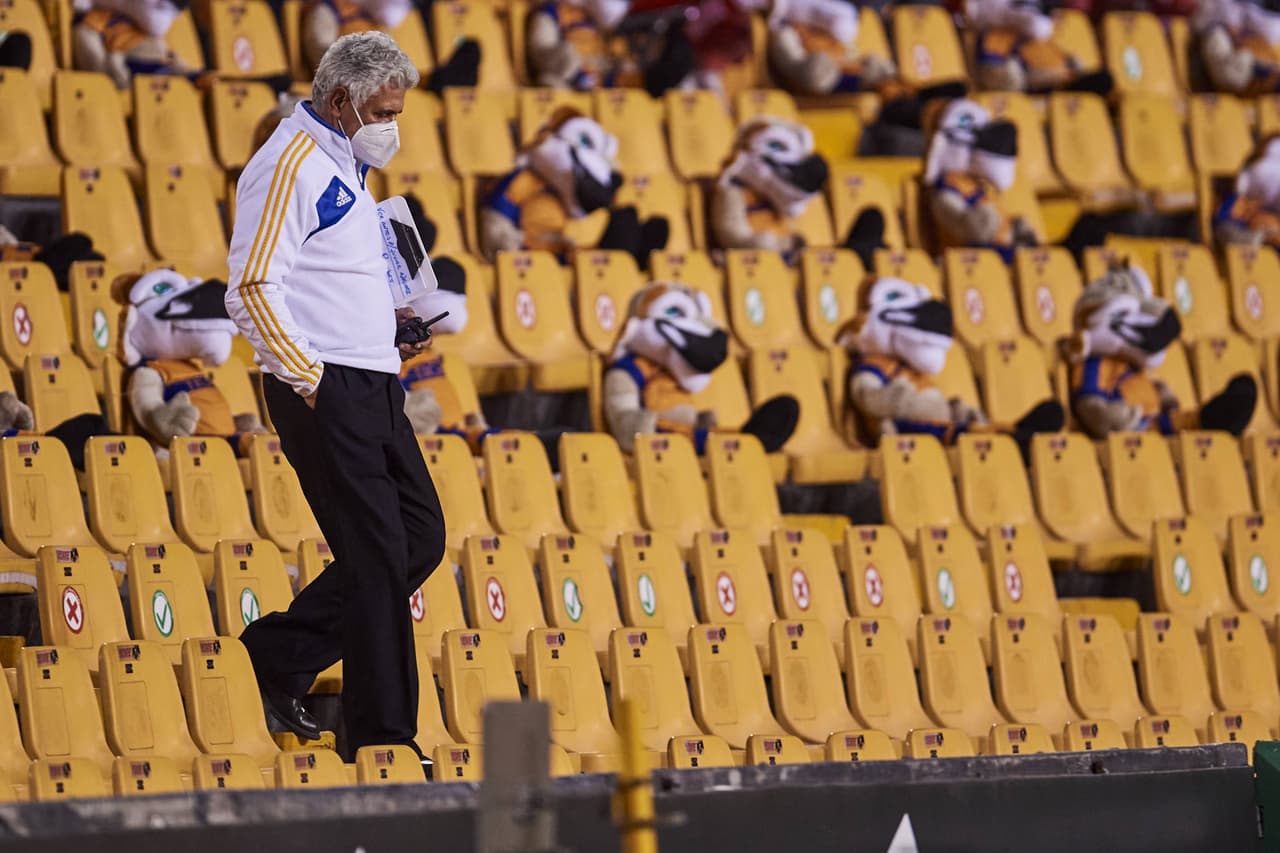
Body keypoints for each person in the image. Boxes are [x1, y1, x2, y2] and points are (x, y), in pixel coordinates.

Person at [224, 31, 446, 761]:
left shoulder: (344, 162)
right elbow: (253, 286)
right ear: (343, 100)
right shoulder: (287, 163)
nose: (392, 125)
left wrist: (394, 321)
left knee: (417, 538)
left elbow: (329, 281)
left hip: (374, 376)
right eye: (384, 110)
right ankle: (383, 735)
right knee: (378, 553)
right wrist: (310, 380)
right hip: (327, 383)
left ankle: (277, 654)